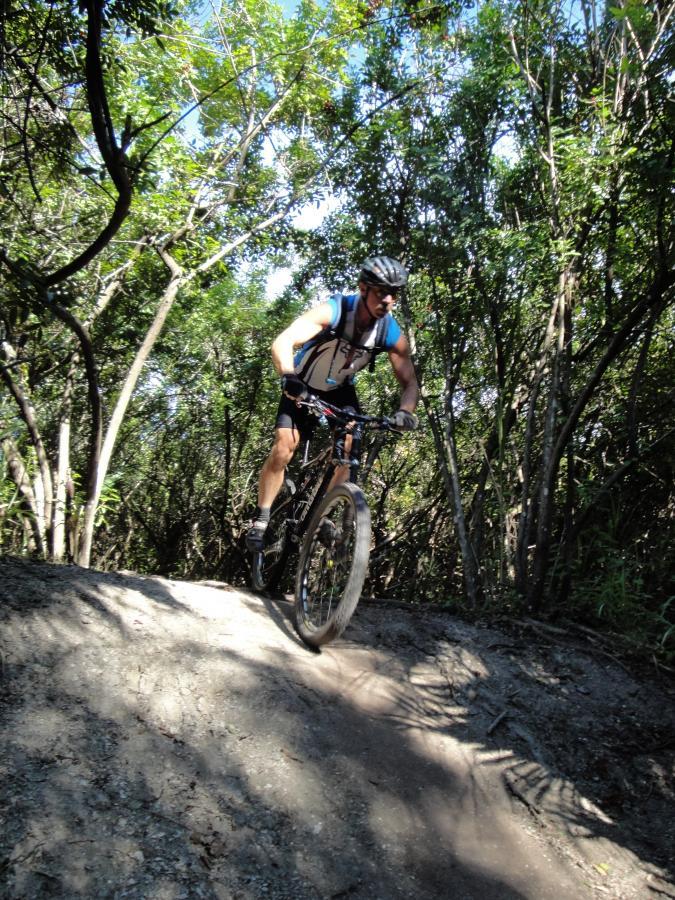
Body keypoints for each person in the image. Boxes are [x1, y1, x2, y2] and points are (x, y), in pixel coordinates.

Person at [246, 255, 419, 551]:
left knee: (350, 452)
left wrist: (405, 412)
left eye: (394, 294)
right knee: (285, 445)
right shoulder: (335, 310)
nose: (388, 300)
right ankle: (261, 517)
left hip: (339, 390)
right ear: (363, 288)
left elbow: (410, 383)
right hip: (301, 381)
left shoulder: (389, 332)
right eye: (381, 292)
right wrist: (288, 376)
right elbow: (283, 342)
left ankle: (318, 516)